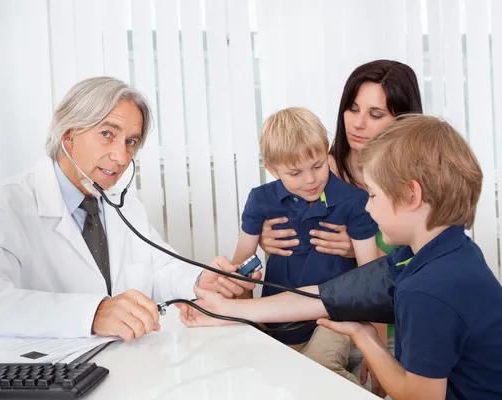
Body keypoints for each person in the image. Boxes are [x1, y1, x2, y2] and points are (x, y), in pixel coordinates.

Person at [178, 115, 502, 399]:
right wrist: (228, 308)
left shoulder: (429, 289)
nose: (369, 207)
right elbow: (320, 297)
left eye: (374, 195)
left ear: (411, 195)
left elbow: (419, 397)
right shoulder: (432, 257)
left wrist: (367, 339)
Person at [0, 77, 259, 340]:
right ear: (68, 134)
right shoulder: (8, 206)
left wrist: (197, 280)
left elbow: (161, 269)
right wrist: (93, 314)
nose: (121, 156)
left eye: (130, 142)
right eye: (107, 134)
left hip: (123, 366)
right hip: (43, 377)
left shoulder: (123, 206)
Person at [258, 60, 423, 395]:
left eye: (376, 114)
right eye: (352, 108)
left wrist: (358, 247)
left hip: (393, 329)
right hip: (315, 320)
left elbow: (415, 273)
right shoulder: (314, 170)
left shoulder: (416, 185)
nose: (358, 124)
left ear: (401, 121)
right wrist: (263, 236)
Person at [232, 107, 379, 383]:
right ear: (272, 170)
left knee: (320, 372)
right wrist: (249, 320)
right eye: (295, 173)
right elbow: (239, 265)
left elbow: (373, 275)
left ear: (327, 154)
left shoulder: (354, 202)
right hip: (276, 318)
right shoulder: (260, 200)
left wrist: (376, 348)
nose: (311, 180)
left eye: (318, 165)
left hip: (334, 318)